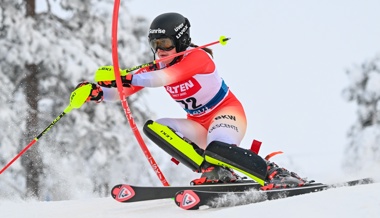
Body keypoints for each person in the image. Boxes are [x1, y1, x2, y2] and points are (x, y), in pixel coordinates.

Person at [75, 12, 308, 188]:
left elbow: (160, 79)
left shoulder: (198, 57)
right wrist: (98, 93)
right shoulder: (158, 65)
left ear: (181, 40)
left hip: (226, 115)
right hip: (197, 124)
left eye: (165, 44)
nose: (160, 50)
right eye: (155, 45)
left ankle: (273, 173)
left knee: (217, 146)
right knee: (157, 127)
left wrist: (123, 76)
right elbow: (122, 92)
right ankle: (214, 171)